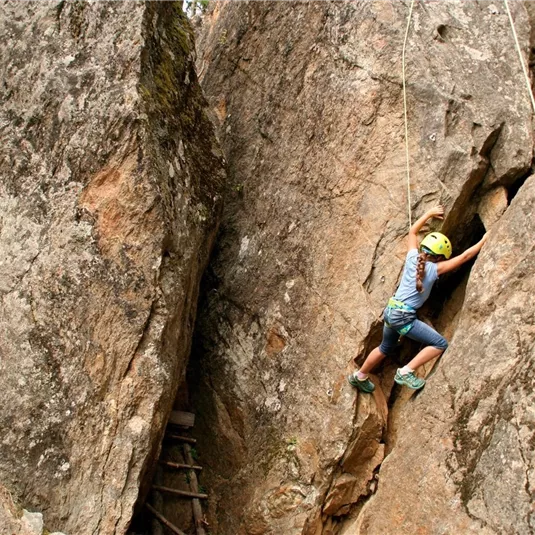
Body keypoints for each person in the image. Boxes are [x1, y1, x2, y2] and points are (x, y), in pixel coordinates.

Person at [348, 205, 487, 392]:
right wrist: (484, 240)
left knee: (385, 346)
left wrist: (429, 213)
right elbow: (465, 257)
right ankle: (405, 372)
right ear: (439, 257)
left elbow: (413, 232)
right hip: (403, 317)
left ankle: (360, 376)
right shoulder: (435, 269)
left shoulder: (412, 257)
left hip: (391, 312)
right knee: (439, 344)